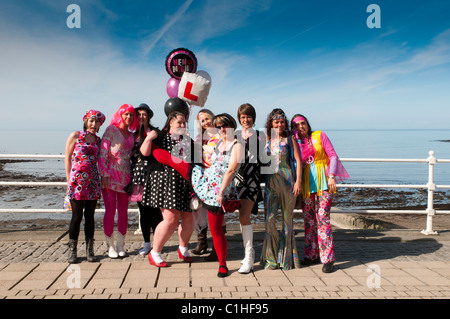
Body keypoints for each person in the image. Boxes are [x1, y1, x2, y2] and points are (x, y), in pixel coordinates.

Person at [290, 114, 349, 273]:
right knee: (309, 221)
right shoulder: (295, 142)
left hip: (324, 182)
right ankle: (311, 254)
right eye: (297, 125)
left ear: (307, 124)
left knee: (323, 218)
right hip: (306, 185)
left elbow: (333, 156)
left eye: (303, 123)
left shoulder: (319, 135)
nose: (301, 127)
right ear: (293, 128)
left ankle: (328, 258)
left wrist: (331, 176)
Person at [192, 113, 243, 277]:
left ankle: (223, 264)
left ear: (232, 126)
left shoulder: (237, 145)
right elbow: (210, 159)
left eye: (225, 126)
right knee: (213, 227)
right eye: (219, 126)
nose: (222, 129)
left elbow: (231, 170)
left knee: (215, 228)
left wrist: (221, 191)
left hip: (219, 191)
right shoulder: (220, 142)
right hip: (207, 186)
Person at [141, 111, 195, 267]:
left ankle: (183, 249)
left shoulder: (187, 141)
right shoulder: (160, 137)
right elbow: (145, 153)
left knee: (188, 218)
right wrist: (149, 137)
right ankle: (155, 252)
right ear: (170, 122)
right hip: (165, 183)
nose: (182, 125)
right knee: (170, 219)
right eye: (179, 122)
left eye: (184, 123)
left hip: (184, 184)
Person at [261, 108, 302, 270]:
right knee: (269, 220)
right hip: (271, 184)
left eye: (282, 122)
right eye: (276, 121)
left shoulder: (290, 139)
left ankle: (287, 260)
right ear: (271, 123)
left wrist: (298, 182)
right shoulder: (265, 139)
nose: (280, 124)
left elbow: (298, 161)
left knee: (288, 221)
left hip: (288, 184)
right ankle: (271, 259)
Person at [64, 110, 106, 264]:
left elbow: (101, 161)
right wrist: (69, 179)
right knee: (76, 216)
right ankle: (72, 250)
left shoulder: (99, 141)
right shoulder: (76, 135)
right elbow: (67, 157)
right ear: (86, 121)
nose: (94, 125)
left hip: (93, 181)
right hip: (77, 182)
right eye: (91, 121)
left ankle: (90, 249)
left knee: (90, 217)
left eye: (97, 122)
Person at [98, 104, 138, 258]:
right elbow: (103, 152)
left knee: (123, 212)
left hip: (126, 177)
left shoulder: (132, 134)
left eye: (132, 115)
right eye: (126, 114)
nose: (129, 117)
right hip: (110, 176)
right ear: (121, 114)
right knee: (110, 211)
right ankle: (110, 246)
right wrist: (104, 173)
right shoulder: (111, 130)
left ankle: (121, 244)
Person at [234, 103, 267, 274]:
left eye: (248, 116)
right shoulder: (235, 135)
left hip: (251, 180)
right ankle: (247, 253)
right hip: (237, 180)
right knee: (241, 217)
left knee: (245, 216)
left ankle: (249, 256)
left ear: (253, 117)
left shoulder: (260, 135)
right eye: (242, 117)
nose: (245, 120)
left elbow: (264, 159)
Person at [129, 103, 163, 255]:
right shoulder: (132, 134)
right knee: (143, 211)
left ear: (149, 116)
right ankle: (146, 243)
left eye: (144, 114)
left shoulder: (155, 132)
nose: (142, 116)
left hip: (153, 174)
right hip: (138, 175)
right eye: (139, 114)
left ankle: (157, 243)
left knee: (155, 211)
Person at [191, 109, 220, 256]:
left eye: (207, 119)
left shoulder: (220, 136)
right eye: (202, 121)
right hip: (201, 178)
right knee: (199, 210)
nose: (206, 122)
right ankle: (202, 242)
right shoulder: (198, 138)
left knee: (216, 211)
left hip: (216, 179)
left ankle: (217, 247)